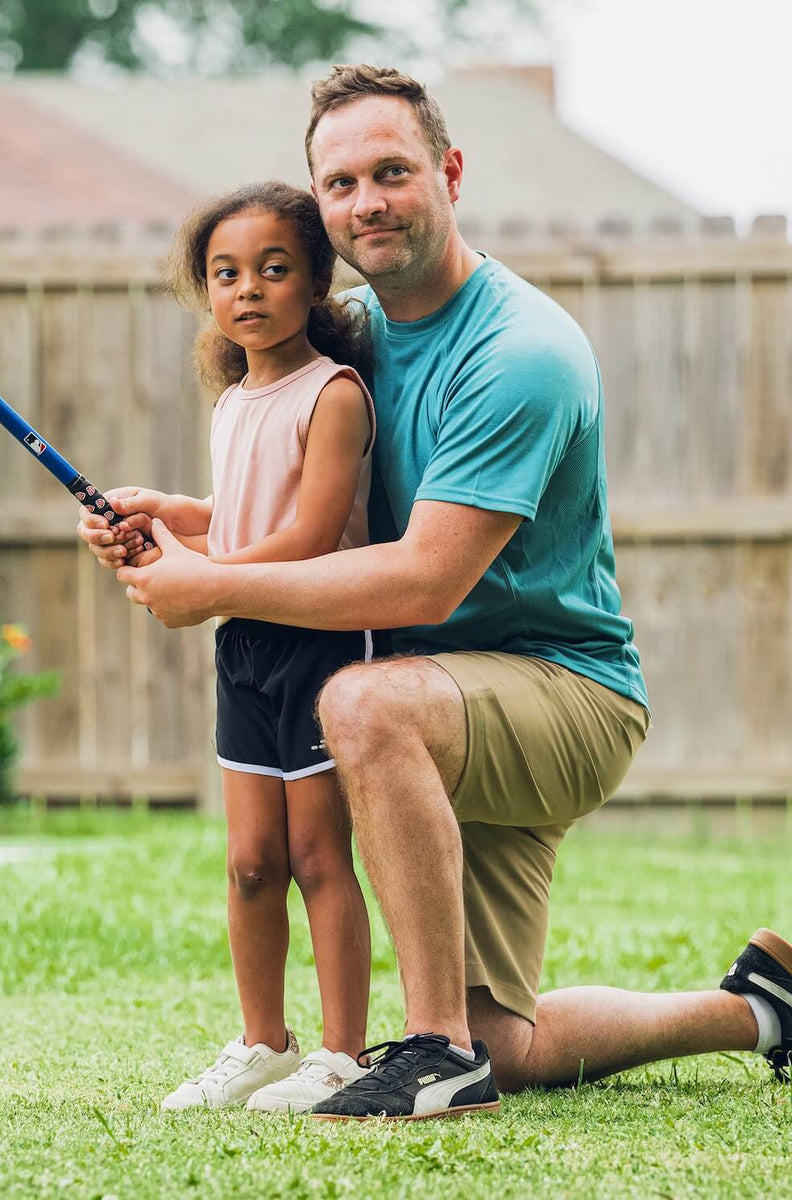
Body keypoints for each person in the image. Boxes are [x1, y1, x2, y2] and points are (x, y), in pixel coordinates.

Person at [81, 65, 792, 1121]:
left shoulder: (522, 351)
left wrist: (212, 587)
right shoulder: (350, 330)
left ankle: (431, 1056)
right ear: (319, 206)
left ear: (449, 173)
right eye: (340, 183)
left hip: (561, 692)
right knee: (513, 1040)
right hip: (442, 707)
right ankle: (761, 1011)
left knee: (364, 701)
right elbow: (314, 504)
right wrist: (182, 517)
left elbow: (424, 574)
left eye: (392, 172)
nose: (367, 201)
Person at [101, 181, 380, 1113]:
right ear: (207, 291)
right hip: (246, 647)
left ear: (315, 283)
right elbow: (247, 511)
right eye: (226, 273)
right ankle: (265, 1041)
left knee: (316, 857)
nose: (248, 289)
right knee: (250, 861)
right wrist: (172, 516)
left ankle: (342, 1055)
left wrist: (198, 567)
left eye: (273, 269)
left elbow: (308, 535)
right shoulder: (234, 400)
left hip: (319, 644)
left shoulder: (333, 393)